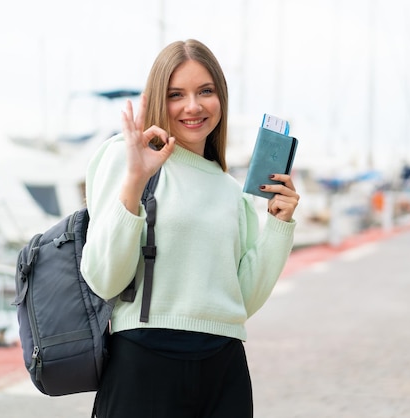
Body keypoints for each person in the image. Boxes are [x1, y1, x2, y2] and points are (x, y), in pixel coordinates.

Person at [80, 39, 300, 417]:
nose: (193, 106)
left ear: (221, 98)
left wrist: (279, 227)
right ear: (157, 102)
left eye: (206, 91)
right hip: (143, 362)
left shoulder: (232, 191)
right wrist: (135, 179)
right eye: (176, 94)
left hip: (224, 368)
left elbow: (241, 302)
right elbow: (103, 279)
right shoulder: (125, 156)